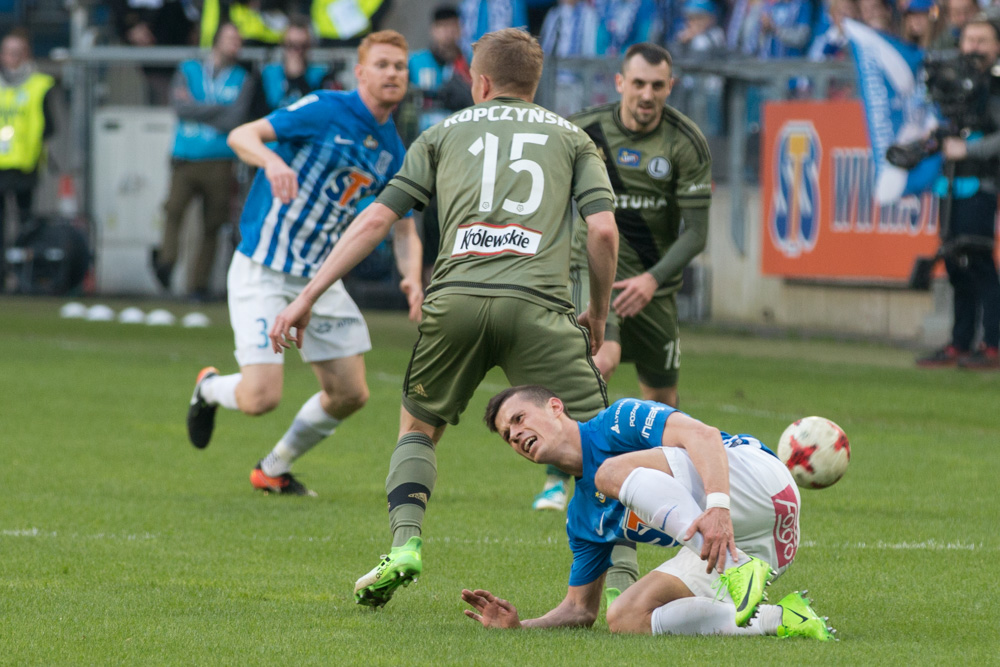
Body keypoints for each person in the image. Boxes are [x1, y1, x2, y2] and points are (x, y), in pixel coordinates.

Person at [268, 28, 619, 607]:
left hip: (454, 302)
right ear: (534, 83)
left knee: (418, 431)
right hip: (539, 307)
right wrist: (599, 316)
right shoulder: (575, 138)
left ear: (479, 81)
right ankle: (625, 587)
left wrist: (307, 295)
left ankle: (405, 545)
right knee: (604, 446)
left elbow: (376, 221)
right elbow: (603, 230)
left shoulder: (438, 133)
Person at [185, 29, 423, 496]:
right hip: (263, 269)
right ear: (360, 72)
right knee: (260, 398)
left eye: (400, 66)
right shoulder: (325, 108)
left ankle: (272, 468)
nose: (392, 73)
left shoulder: (394, 149)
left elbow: (403, 228)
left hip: (319, 280)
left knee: (350, 393)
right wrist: (272, 162)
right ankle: (209, 388)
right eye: (382, 64)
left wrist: (412, 279)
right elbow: (242, 134)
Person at [464, 384, 836, 640]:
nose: (514, 434)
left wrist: (719, 507)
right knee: (625, 616)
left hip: (754, 484)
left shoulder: (618, 419)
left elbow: (704, 436)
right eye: (506, 435)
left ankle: (737, 570)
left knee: (608, 472)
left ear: (555, 407)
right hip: (763, 546)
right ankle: (783, 619)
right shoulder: (582, 518)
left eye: (518, 418)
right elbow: (580, 609)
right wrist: (522, 627)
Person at [534, 43, 712, 524]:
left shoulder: (686, 143)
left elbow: (696, 233)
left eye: (657, 85)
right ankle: (559, 477)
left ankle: (660, 485)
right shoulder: (584, 131)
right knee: (600, 360)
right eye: (638, 83)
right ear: (620, 83)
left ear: (669, 87)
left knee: (662, 398)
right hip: (592, 271)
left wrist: (653, 281)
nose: (647, 94)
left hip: (654, 285)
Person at [152, 22, 261, 300]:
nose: (235, 45)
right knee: (173, 210)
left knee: (212, 224)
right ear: (216, 41)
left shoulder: (242, 78)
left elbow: (234, 118)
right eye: (230, 39)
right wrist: (216, 111)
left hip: (221, 159)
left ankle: (197, 285)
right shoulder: (189, 69)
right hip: (185, 156)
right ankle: (166, 261)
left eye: (238, 41)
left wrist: (198, 110)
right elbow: (180, 107)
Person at [917, 15, 1000, 370]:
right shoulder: (953, 81)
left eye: (983, 41)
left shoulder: (995, 88)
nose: (975, 48)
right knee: (953, 262)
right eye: (970, 40)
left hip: (981, 183)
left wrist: (968, 150)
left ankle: (992, 344)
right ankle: (959, 341)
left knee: (978, 260)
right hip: (950, 183)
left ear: (996, 47)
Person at [0, 29, 56, 291]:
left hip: (25, 165)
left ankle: (26, 278)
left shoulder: (39, 85)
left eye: (18, 52)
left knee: (27, 226)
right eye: (8, 52)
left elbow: (49, 126)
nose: (12, 58)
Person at [260, 16, 330, 111]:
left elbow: (317, 111)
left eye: (303, 46)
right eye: (291, 45)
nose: (297, 52)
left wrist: (298, 78)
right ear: (283, 45)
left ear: (309, 47)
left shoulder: (320, 74)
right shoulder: (268, 74)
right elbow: (261, 111)